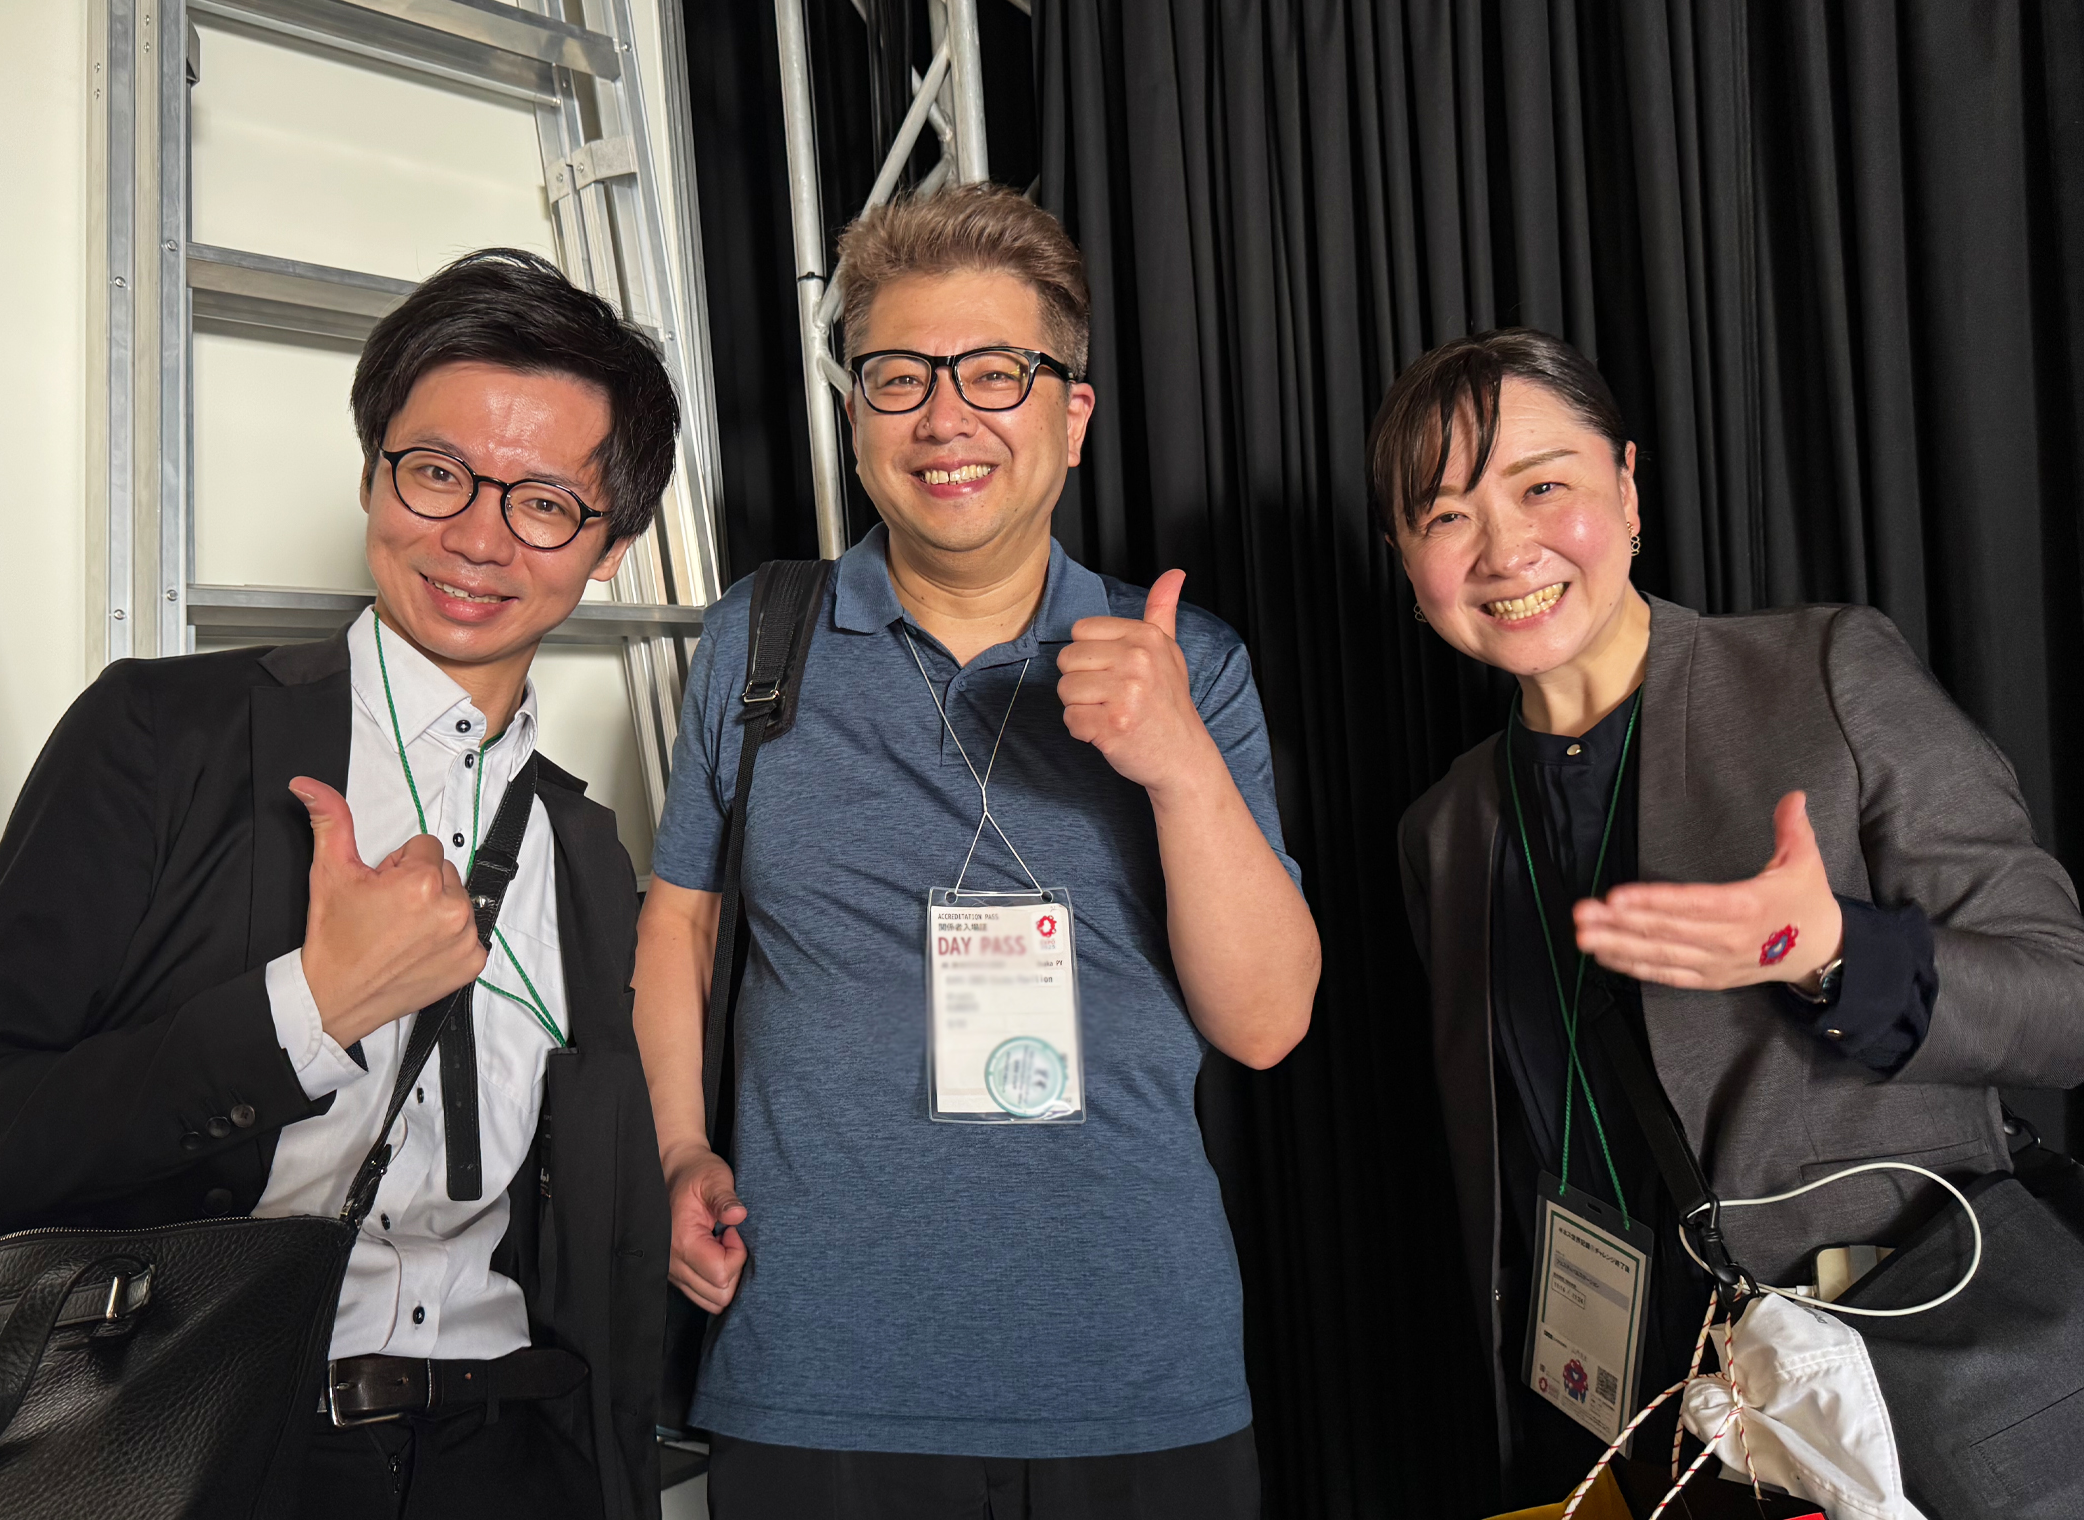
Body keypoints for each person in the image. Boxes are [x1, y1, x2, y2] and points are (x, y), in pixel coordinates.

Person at [0, 249, 671, 1520]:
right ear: (371, 473)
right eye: (436, 472)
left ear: (611, 545)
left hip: (510, 1455)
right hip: (203, 1453)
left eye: (543, 503)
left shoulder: (584, 846)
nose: (476, 535)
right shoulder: (163, 736)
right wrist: (308, 1008)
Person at [632, 185, 1321, 1516]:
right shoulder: (758, 639)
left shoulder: (1187, 663)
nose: (944, 418)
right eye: (898, 376)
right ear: (855, 417)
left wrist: (1177, 759)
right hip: (817, 1362)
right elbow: (681, 918)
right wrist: (675, 1150)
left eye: (996, 373)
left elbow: (1267, 1023)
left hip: (1134, 1365)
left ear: (1072, 416)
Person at [1382, 327, 2084, 1508]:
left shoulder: (1823, 674)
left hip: (1909, 1389)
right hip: (1647, 1424)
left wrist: (1834, 954)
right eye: (1444, 515)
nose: (1502, 548)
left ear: (1627, 490)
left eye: (1541, 486)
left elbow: (2061, 1004)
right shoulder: (1444, 829)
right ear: (1406, 563)